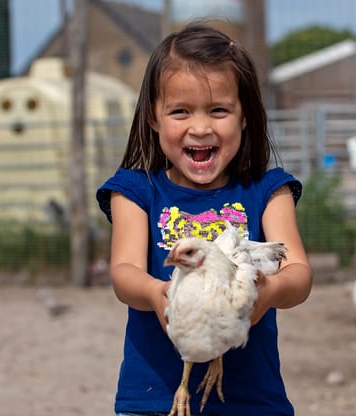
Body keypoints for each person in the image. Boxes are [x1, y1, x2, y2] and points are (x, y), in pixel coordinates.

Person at [96, 22, 312, 416]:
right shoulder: (136, 190)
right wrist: (155, 295)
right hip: (154, 399)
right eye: (180, 111)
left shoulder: (267, 191)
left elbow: (298, 272)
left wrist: (269, 292)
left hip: (250, 403)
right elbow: (124, 271)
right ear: (153, 118)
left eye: (218, 110)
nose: (200, 127)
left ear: (244, 116)